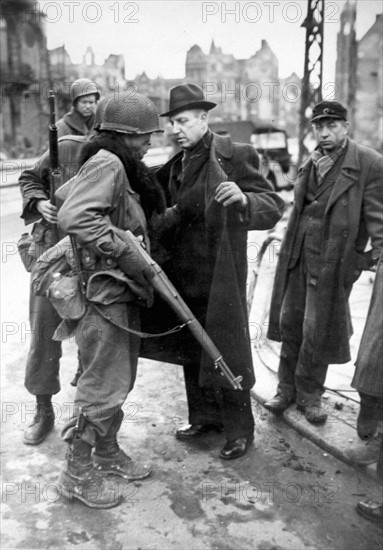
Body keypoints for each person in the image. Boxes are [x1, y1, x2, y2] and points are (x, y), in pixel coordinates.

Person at [144, 83, 284, 460]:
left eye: (185, 121)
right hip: (182, 275)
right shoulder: (175, 165)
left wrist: (244, 198)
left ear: (205, 119)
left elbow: (273, 205)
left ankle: (240, 431)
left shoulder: (236, 155)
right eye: (173, 122)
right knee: (192, 348)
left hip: (220, 276)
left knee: (228, 351)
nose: (177, 130)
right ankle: (204, 418)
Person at [56, 92, 166, 508]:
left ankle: (106, 452)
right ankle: (76, 474)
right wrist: (121, 249)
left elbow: (66, 197)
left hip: (118, 291)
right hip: (105, 296)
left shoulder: (116, 164)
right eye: (145, 136)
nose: (150, 144)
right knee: (102, 384)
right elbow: (75, 215)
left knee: (117, 379)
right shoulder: (109, 162)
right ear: (126, 135)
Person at [264, 100, 383, 423]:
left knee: (318, 330)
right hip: (298, 258)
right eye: (319, 126)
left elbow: (377, 220)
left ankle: (309, 394)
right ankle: (285, 389)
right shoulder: (311, 162)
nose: (325, 133)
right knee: (291, 322)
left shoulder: (368, 163)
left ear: (346, 127)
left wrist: (362, 262)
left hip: (333, 265)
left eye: (332, 126)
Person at [18, 96, 108, 446]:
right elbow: (29, 178)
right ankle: (43, 410)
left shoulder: (113, 162)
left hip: (92, 259)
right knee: (44, 334)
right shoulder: (67, 146)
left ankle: (86, 417)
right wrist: (40, 201)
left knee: (95, 337)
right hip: (52, 256)